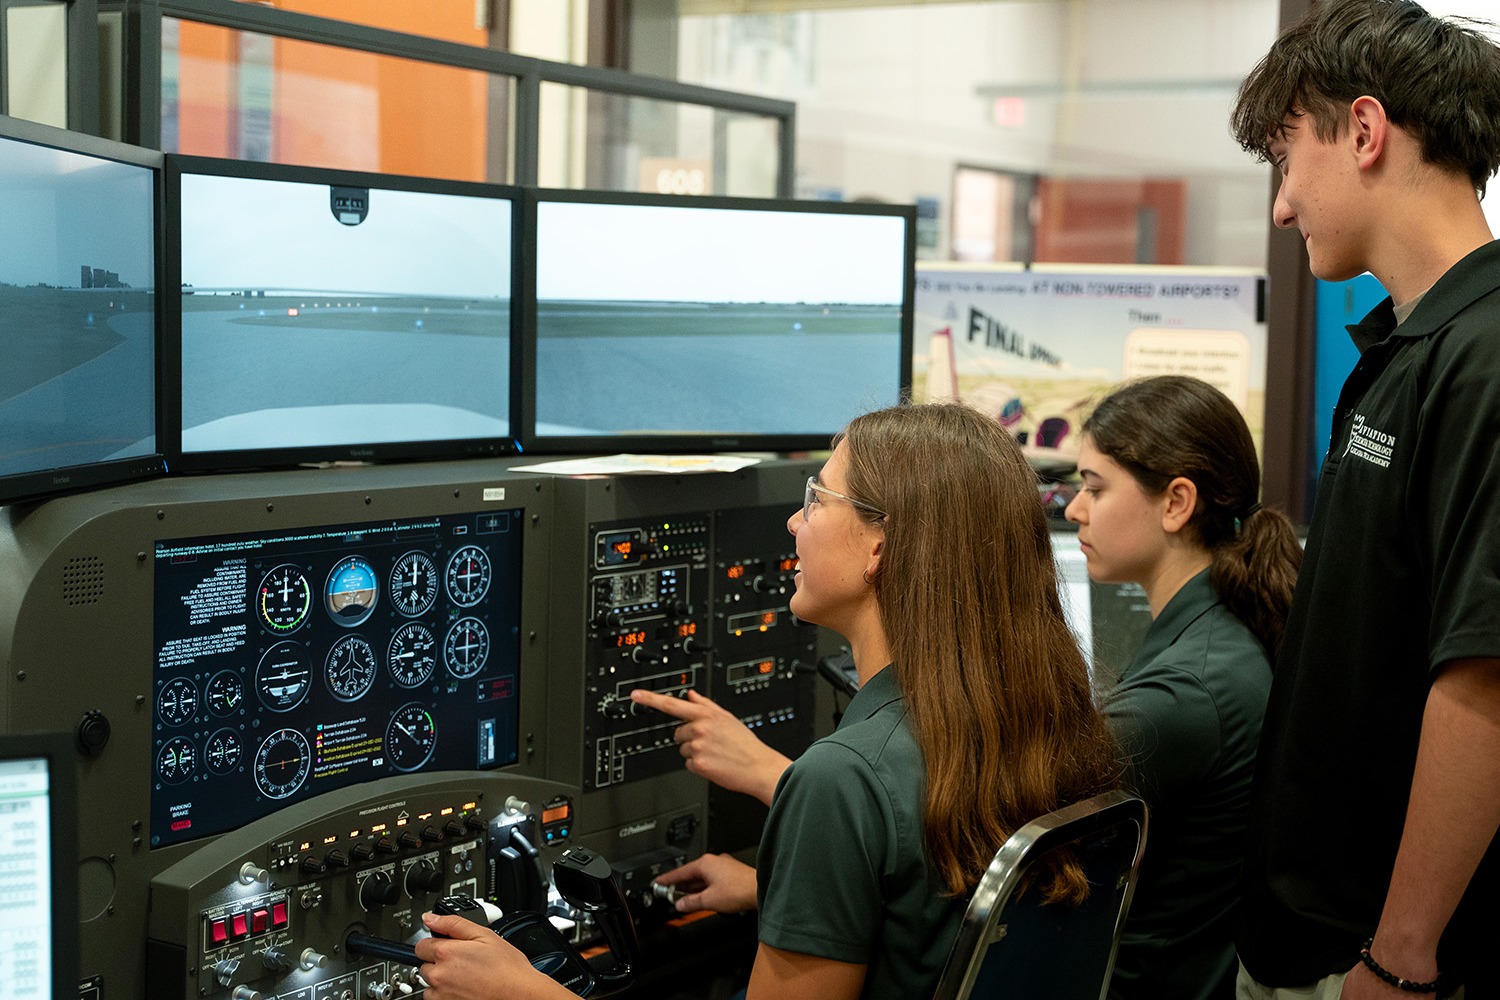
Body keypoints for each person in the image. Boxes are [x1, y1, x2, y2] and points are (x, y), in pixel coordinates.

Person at [415, 403, 1121, 1000]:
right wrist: (780, 891)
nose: (794, 522)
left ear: (881, 546)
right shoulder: (1046, 721)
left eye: (817, 497)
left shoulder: (842, 779)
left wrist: (526, 991)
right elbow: (936, 904)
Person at [1227, 2, 1500, 998]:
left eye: (1286, 158)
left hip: (1392, 958)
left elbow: (1485, 677)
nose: (1282, 206)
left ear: (1367, 132)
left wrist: (1402, 952)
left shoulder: (1484, 358)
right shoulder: (1413, 344)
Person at [1062, 375, 1302, 1000]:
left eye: (1094, 488)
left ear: (1176, 502)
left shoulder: (1183, 693)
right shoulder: (1227, 627)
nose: (1074, 509)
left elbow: (995, 822)